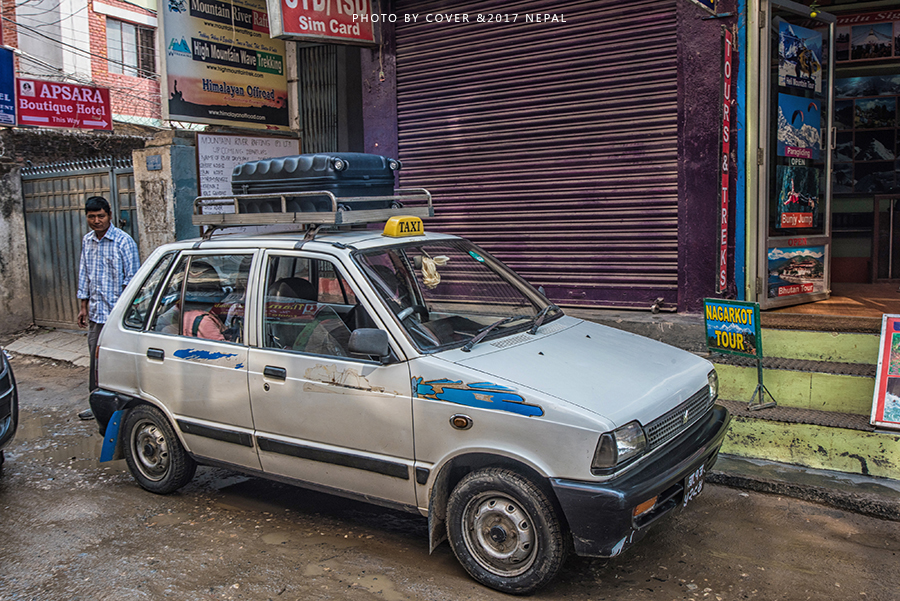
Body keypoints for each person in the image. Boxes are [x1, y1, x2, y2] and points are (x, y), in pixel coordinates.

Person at [76, 196, 140, 420]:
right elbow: (85, 274)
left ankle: (121, 408)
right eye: (91, 217)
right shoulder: (87, 241)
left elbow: (132, 282)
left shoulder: (124, 242)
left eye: (100, 216)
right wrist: (83, 306)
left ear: (109, 216)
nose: (96, 221)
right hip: (96, 313)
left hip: (118, 317)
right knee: (95, 360)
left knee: (118, 362)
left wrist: (125, 315)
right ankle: (96, 405)